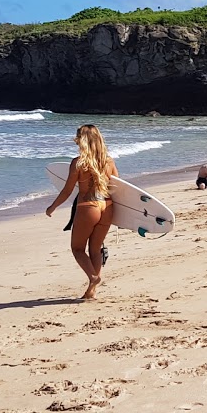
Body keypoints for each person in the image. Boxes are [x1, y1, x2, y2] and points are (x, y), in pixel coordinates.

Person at [45, 123, 118, 302]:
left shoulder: (78, 163)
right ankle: (91, 292)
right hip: (107, 206)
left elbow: (67, 190)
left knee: (77, 249)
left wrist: (52, 207)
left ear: (82, 141)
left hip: (88, 207)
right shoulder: (108, 161)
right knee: (95, 249)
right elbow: (118, 187)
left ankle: (93, 277)